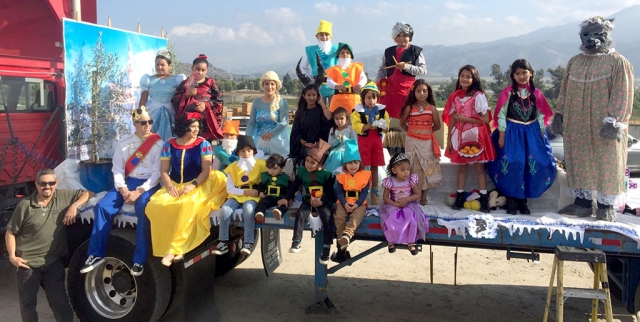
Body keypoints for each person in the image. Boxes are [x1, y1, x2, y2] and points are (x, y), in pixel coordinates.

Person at [551, 16, 635, 222]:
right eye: (586, 35)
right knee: (579, 160)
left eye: (598, 34)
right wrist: (560, 113)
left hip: (603, 123)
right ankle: (582, 203)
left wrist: (615, 120)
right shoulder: (575, 62)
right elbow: (565, 90)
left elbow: (623, 92)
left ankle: (606, 206)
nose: (591, 39)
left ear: (607, 35)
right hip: (576, 122)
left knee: (607, 161)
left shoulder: (617, 62)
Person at [81, 106, 163, 276]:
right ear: (135, 124)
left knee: (143, 208)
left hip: (148, 184)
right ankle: (95, 253)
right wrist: (123, 189)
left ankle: (139, 259)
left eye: (149, 122)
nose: (147, 125)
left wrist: (139, 192)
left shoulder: (158, 143)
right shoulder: (124, 143)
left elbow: (157, 173)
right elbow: (117, 169)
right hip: (128, 182)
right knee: (102, 207)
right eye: (143, 123)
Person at [6, 169, 90, 322]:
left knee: (61, 306)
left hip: (52, 264)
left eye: (51, 183)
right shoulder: (25, 205)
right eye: (43, 183)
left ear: (56, 183)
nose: (47, 187)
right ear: (36, 185)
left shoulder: (62, 197)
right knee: (28, 306)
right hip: (27, 266)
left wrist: (74, 206)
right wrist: (13, 257)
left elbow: (89, 193)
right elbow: (11, 232)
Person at [145, 114, 227, 266]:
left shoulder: (203, 144)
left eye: (197, 126)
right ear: (184, 126)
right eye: (193, 126)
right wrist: (169, 186)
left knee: (187, 205)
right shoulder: (169, 144)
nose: (196, 129)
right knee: (154, 206)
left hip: (199, 183)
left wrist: (193, 185)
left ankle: (174, 249)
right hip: (175, 184)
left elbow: (206, 170)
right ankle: (178, 247)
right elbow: (164, 170)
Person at [485, 59, 556, 215]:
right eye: (517, 73)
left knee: (532, 164)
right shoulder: (508, 93)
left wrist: (542, 136)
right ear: (513, 76)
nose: (522, 76)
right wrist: (501, 136)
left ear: (531, 73)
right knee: (513, 163)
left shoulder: (536, 93)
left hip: (531, 134)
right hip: (511, 133)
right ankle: (511, 199)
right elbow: (501, 115)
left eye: (524, 72)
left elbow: (540, 115)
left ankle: (522, 200)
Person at [443, 65, 496, 212]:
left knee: (479, 167)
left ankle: (484, 198)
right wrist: (448, 139)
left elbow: (485, 119)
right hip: (459, 134)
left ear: (474, 79)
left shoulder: (478, 96)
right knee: (462, 167)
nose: (465, 79)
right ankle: (459, 197)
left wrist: (466, 119)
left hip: (475, 135)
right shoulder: (455, 96)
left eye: (468, 76)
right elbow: (453, 118)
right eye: (462, 76)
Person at [281, 140, 335, 264]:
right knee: (301, 213)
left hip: (323, 201)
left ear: (320, 164)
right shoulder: (302, 171)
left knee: (327, 217)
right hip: (308, 199)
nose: (309, 165)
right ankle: (296, 241)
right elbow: (294, 186)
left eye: (313, 163)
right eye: (307, 161)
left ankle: (326, 247)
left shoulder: (327, 175)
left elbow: (330, 192)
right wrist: (287, 197)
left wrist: (322, 201)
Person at [213, 135, 266, 256]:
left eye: (249, 150)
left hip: (254, 194)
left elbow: (267, 179)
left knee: (248, 209)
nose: (246, 153)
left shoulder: (261, 164)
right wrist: (244, 192)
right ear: (238, 152)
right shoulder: (233, 167)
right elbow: (230, 188)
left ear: (254, 151)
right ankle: (223, 242)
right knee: (225, 210)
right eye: (242, 151)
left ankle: (248, 242)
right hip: (237, 194)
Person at [399, 79, 442, 205]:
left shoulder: (432, 109)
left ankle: (424, 197)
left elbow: (437, 126)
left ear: (428, 92)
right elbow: (402, 123)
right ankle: (412, 195)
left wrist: (426, 131)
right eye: (418, 91)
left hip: (426, 143)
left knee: (425, 169)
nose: (421, 93)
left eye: (424, 91)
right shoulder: (409, 108)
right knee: (412, 168)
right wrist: (412, 132)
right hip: (411, 142)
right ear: (413, 92)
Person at [375, 22, 427, 122]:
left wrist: (407, 66)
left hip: (408, 92)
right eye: (398, 35)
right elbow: (382, 70)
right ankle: (383, 137)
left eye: (404, 35)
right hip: (389, 91)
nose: (401, 38)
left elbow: (423, 70)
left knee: (408, 118)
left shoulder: (415, 51)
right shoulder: (388, 52)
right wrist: (377, 84)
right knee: (383, 119)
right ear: (394, 37)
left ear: (410, 37)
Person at [379, 153, 428, 255]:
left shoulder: (410, 180)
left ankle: (411, 242)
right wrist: (394, 204)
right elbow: (385, 198)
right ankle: (391, 241)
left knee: (412, 220)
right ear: (394, 170)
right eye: (402, 170)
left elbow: (417, 195)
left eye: (408, 169)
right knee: (391, 220)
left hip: (408, 204)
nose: (406, 172)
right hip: (393, 205)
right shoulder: (390, 182)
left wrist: (407, 199)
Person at [351, 81, 389, 205]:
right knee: (363, 166)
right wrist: (370, 124)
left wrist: (382, 125)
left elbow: (386, 128)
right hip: (364, 141)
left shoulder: (382, 112)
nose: (371, 100)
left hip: (377, 141)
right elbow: (357, 127)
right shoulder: (357, 112)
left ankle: (375, 192)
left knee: (375, 166)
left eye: (374, 97)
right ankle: (362, 190)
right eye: (368, 97)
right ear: (363, 98)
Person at [333, 139, 370, 261]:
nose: (353, 166)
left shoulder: (365, 175)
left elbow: (364, 193)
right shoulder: (341, 176)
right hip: (344, 201)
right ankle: (341, 242)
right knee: (339, 217)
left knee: (356, 217)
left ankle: (347, 235)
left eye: (355, 163)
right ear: (345, 165)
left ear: (359, 163)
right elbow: (339, 192)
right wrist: (344, 204)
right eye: (350, 163)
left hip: (359, 203)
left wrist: (356, 204)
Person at [171, 54, 224, 141]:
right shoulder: (185, 83)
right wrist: (186, 94)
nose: (200, 72)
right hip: (188, 123)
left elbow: (219, 99)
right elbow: (174, 100)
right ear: (192, 68)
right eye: (197, 69)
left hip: (205, 123)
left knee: (204, 149)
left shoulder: (211, 83)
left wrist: (206, 105)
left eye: (203, 70)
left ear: (207, 70)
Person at [138, 49, 186, 141]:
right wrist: (141, 115)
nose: (159, 67)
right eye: (157, 64)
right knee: (151, 137)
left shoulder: (177, 79)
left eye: (162, 65)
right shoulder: (148, 79)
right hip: (153, 111)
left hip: (171, 111)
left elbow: (182, 96)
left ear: (169, 66)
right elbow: (143, 99)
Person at [246, 71, 290, 156]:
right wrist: (246, 140)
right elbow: (251, 123)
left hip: (276, 142)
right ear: (263, 85)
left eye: (272, 84)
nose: (269, 87)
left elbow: (284, 122)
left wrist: (271, 133)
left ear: (276, 86)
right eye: (266, 84)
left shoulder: (282, 101)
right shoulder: (257, 102)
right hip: (259, 141)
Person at [289, 85, 333, 166]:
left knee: (320, 155)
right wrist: (305, 143)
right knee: (310, 155)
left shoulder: (321, 110)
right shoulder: (301, 113)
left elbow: (329, 117)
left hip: (320, 145)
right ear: (304, 96)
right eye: (309, 95)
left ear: (318, 96)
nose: (311, 98)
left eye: (314, 95)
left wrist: (322, 104)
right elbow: (296, 132)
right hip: (304, 146)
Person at [299, 20, 339, 103]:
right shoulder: (311, 50)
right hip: (318, 87)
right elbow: (302, 67)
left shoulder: (337, 49)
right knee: (319, 111)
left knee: (335, 112)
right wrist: (309, 80)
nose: (324, 37)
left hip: (334, 86)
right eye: (321, 35)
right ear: (317, 36)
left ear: (331, 36)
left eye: (326, 34)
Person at [325, 43, 367, 113]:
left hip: (353, 99)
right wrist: (336, 86)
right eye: (342, 53)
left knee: (355, 119)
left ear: (351, 56)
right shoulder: (334, 69)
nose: (345, 54)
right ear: (338, 55)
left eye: (348, 53)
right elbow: (329, 81)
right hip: (338, 99)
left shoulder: (356, 67)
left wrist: (360, 84)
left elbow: (363, 78)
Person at [255, 154, 290, 221]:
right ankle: (260, 212)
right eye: (269, 168)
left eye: (275, 168)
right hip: (269, 197)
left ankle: (279, 212)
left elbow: (289, 189)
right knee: (262, 202)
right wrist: (261, 191)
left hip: (280, 197)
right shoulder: (266, 176)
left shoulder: (286, 178)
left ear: (282, 168)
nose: (271, 171)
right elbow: (261, 185)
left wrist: (287, 198)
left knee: (284, 205)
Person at [324, 107, 358, 174]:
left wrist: (344, 139)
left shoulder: (350, 129)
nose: (339, 121)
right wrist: (337, 140)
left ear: (346, 119)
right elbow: (329, 145)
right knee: (337, 157)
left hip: (347, 152)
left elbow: (355, 142)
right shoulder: (332, 130)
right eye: (336, 119)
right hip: (335, 154)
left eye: (342, 118)